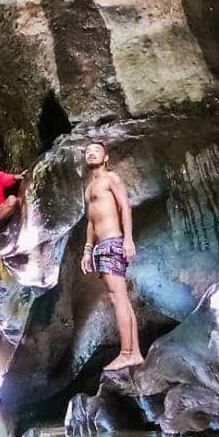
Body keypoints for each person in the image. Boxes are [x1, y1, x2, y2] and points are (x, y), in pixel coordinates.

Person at [79, 139, 143, 370]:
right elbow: (90, 221)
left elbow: (126, 206)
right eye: (88, 151)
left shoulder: (110, 178)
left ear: (106, 158)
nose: (91, 154)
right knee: (119, 298)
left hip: (113, 242)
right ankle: (134, 353)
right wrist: (87, 250)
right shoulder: (88, 188)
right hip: (100, 246)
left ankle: (127, 353)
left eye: (96, 151)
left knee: (119, 298)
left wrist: (127, 239)